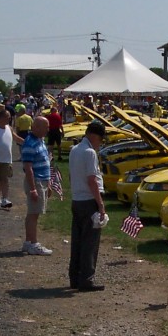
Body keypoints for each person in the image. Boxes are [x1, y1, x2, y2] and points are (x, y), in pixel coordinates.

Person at [68, 121, 107, 291]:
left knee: (77, 241)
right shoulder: (90, 152)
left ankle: (74, 277)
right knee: (90, 243)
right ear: (94, 136)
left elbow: (71, 175)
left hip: (77, 199)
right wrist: (100, 204)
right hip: (89, 200)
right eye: (100, 139)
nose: (100, 144)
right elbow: (92, 180)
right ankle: (86, 279)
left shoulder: (74, 150)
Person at [21, 116, 53, 255]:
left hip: (43, 180)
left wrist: (49, 184)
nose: (48, 129)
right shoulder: (30, 143)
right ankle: (34, 243)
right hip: (36, 181)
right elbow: (28, 168)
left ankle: (28, 242)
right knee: (34, 213)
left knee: (33, 213)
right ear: (36, 127)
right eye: (46, 127)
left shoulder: (40, 140)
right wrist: (33, 188)